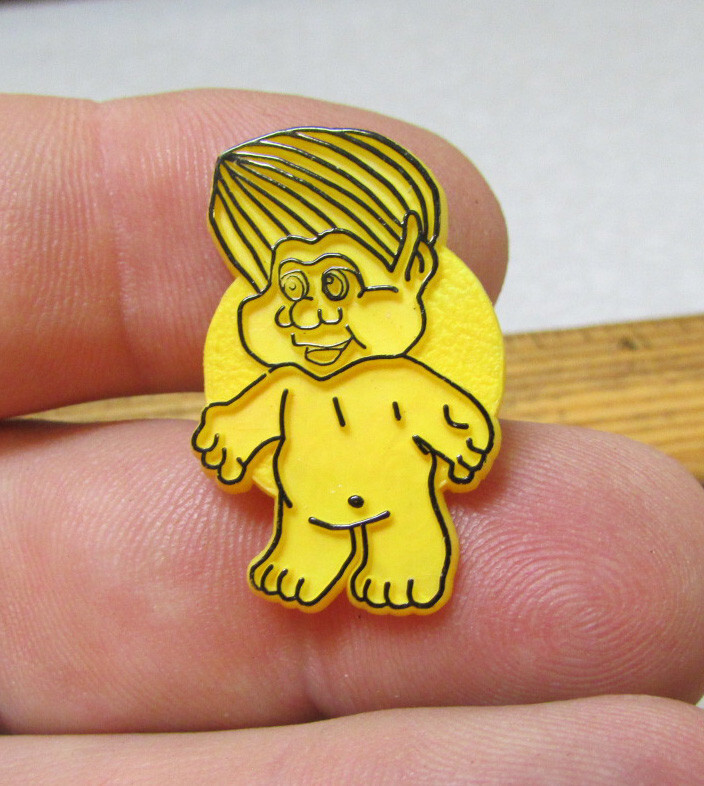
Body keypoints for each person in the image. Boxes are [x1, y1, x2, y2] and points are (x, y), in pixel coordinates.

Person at [0, 89, 703, 782]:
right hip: (307, 502)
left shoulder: (405, 381)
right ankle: (311, 553)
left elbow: (451, 417)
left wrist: (460, 437)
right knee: (304, 534)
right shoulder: (284, 385)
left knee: (406, 538)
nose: (309, 316)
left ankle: (404, 560)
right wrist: (234, 435)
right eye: (287, 290)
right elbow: (248, 416)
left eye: (337, 285)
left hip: (400, 499)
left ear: (414, 274)